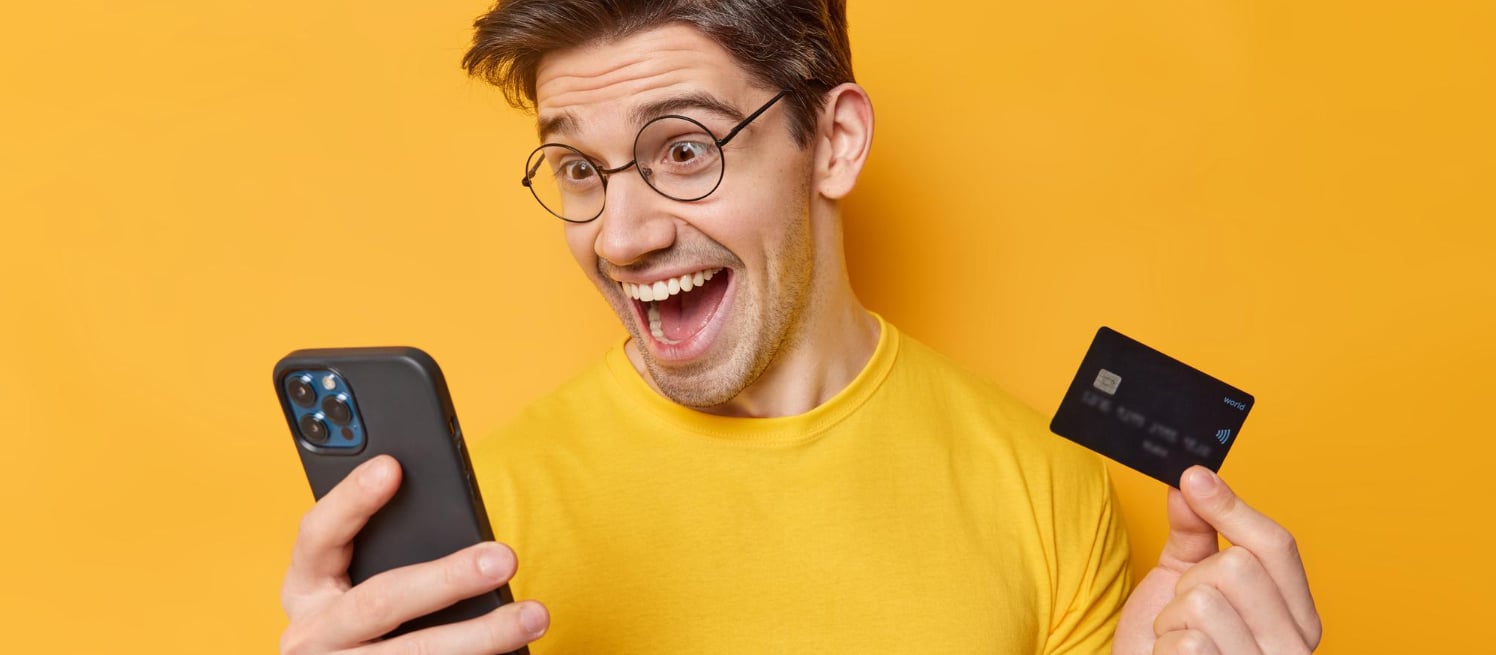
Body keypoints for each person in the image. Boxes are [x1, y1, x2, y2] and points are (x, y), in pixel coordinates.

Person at [278, 1, 1321, 653]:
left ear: (832, 142)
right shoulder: (470, 531)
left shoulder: (1040, 485)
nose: (620, 234)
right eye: (579, 170)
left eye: (683, 149)